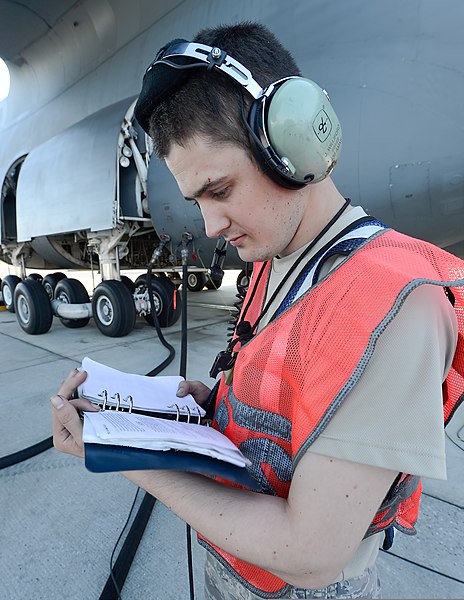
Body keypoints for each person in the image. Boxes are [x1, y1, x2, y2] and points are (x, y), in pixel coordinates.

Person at [51, 22, 464, 599]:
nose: (210, 227)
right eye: (196, 201)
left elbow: (311, 553)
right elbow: (288, 387)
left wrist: (121, 451)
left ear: (292, 147)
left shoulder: (395, 310)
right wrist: (216, 403)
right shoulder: (279, 257)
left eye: (220, 191)